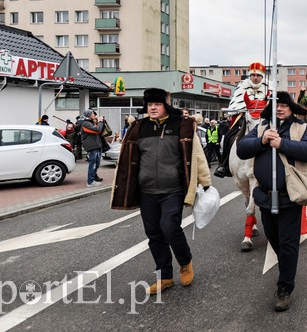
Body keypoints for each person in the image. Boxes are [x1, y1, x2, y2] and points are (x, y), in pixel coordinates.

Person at [111, 88, 211, 295]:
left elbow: (197, 156)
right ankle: (164, 275)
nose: (153, 108)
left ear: (165, 105)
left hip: (172, 189)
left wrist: (205, 182)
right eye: (149, 105)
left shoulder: (181, 126)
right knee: (154, 234)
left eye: (156, 104)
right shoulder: (139, 127)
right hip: (146, 190)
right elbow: (127, 160)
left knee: (169, 226)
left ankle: (185, 263)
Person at [236, 91, 307, 311]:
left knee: (288, 244)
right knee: (274, 239)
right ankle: (287, 268)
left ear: (291, 108)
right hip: (265, 196)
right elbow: (242, 149)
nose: (279, 108)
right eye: (276, 105)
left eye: (283, 105)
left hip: (290, 198)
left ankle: (284, 288)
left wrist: (281, 143)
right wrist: (262, 140)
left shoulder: (303, 128)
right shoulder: (262, 127)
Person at [77, 109, 104, 186]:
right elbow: (98, 129)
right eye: (92, 113)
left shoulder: (91, 122)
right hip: (92, 146)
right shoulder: (86, 124)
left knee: (97, 163)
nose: (94, 114)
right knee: (93, 163)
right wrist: (100, 121)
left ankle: (93, 178)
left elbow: (99, 130)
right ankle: (90, 181)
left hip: (96, 145)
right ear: (89, 115)